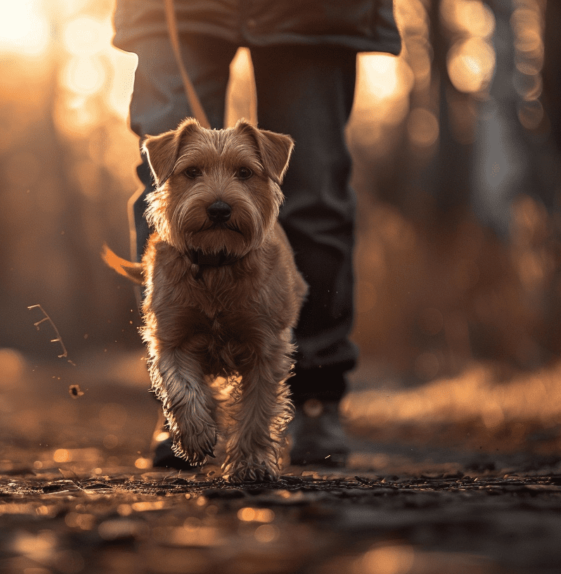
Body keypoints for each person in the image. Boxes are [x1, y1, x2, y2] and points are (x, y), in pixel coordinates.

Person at [113, 0, 401, 467]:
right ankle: (181, 402)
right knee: (159, 189)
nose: (220, 198)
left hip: (314, 14)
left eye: (244, 175)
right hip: (172, 10)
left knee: (315, 198)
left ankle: (315, 394)